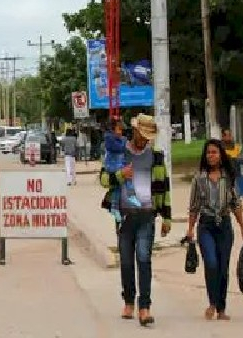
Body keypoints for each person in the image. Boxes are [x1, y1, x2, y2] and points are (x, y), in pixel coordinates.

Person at [100, 114, 172, 327]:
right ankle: (129, 301)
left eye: (148, 137)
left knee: (143, 259)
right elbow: (104, 179)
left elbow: (163, 187)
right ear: (134, 132)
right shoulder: (118, 153)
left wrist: (167, 216)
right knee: (126, 261)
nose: (145, 140)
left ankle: (145, 307)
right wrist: (120, 175)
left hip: (147, 214)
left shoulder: (156, 156)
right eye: (142, 135)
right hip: (123, 215)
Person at [186, 139, 243, 321]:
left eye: (214, 152)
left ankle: (221, 308)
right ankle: (212, 302)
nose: (211, 156)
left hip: (224, 226)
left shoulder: (228, 177)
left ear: (221, 155)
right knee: (211, 263)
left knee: (223, 267)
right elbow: (194, 207)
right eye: (208, 153)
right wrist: (190, 229)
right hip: (206, 226)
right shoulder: (199, 178)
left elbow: (236, 204)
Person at [103, 119, 141, 222]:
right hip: (115, 166)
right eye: (119, 129)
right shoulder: (111, 139)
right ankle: (130, 196)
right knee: (122, 181)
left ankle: (115, 208)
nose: (121, 132)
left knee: (118, 188)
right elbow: (105, 180)